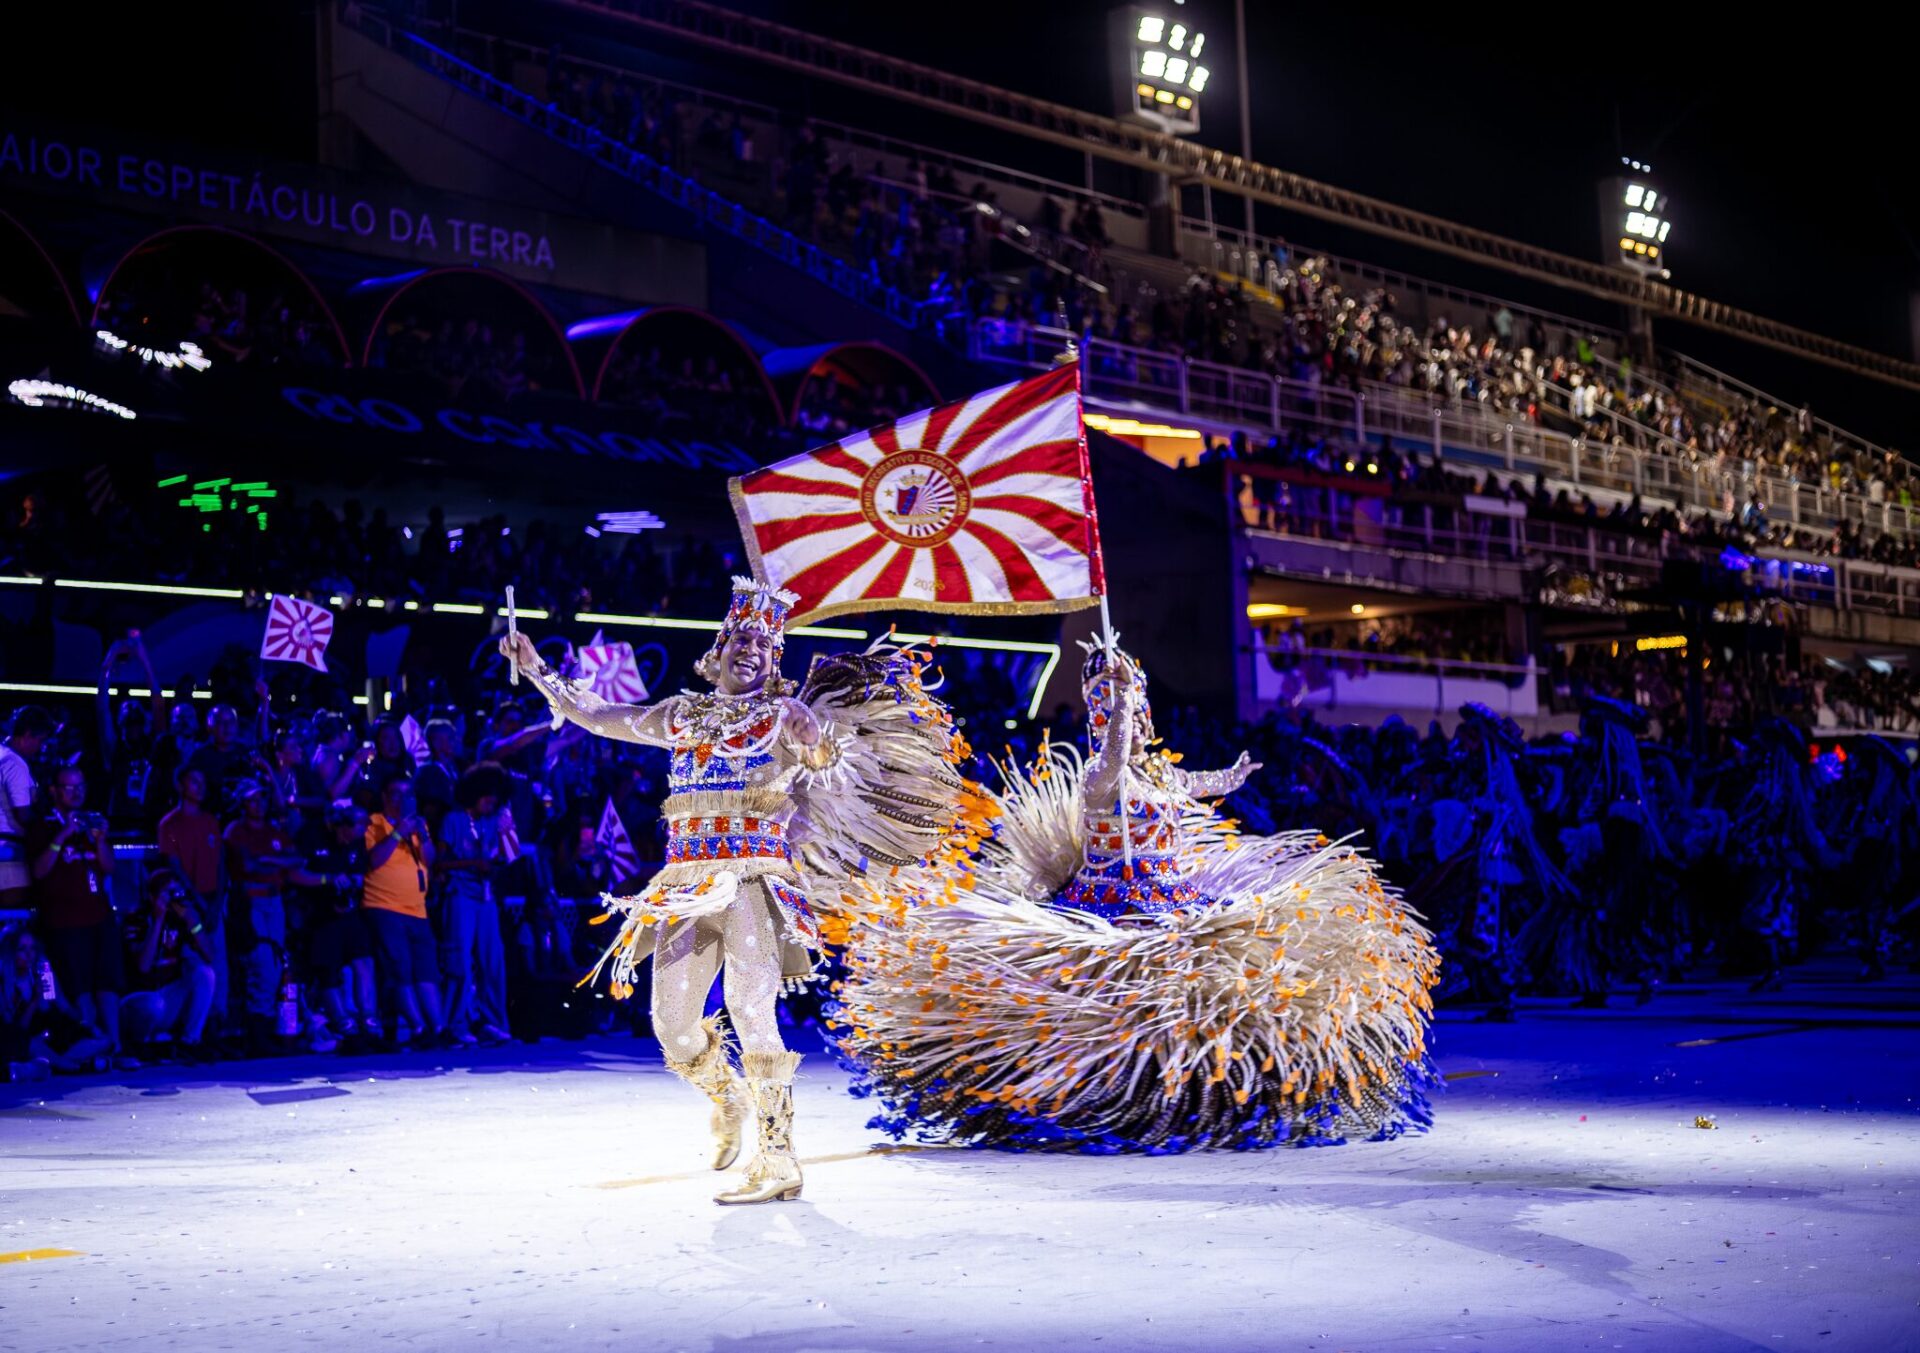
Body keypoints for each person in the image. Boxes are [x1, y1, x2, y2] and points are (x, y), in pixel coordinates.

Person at [835, 638, 1441, 1153]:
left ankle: (1195, 1098)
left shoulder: (1161, 774)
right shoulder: (1103, 775)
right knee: (1112, 1007)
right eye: (1103, 709)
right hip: (1106, 905)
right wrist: (1119, 696)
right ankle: (1103, 1100)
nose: (1120, 717)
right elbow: (1116, 755)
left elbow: (1204, 784)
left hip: (1171, 897)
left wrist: (1234, 775)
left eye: (1127, 708)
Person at [501, 578, 978, 1205]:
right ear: (720, 647)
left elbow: (824, 759)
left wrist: (813, 739)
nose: (752, 649)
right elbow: (596, 715)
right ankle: (727, 1098)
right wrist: (536, 668)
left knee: (752, 1009)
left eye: (765, 644)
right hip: (684, 889)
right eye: (743, 639)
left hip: (754, 881)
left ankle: (779, 1159)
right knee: (672, 1030)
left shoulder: (782, 716)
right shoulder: (681, 714)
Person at [28, 766, 134, 1067]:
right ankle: (93, 1045)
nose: (77, 792)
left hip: (99, 915)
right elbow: (39, 871)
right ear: (54, 791)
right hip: (64, 921)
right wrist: (63, 834)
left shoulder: (91, 822)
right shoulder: (43, 826)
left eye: (81, 786)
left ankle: (115, 1046)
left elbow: (108, 867)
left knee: (107, 980)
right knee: (80, 986)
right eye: (69, 787)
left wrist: (100, 839)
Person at [362, 772, 446, 1048]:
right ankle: (418, 1026)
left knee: (426, 970)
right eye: (396, 794)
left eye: (407, 794)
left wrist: (421, 834)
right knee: (400, 968)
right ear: (386, 797)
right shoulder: (374, 822)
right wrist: (398, 832)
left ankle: (437, 1027)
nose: (402, 799)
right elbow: (374, 859)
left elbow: (430, 860)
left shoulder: (418, 826)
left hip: (417, 909)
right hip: (385, 906)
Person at [436, 763, 514, 1046]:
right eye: (486, 797)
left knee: (492, 961)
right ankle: (455, 1024)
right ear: (473, 794)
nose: (490, 802)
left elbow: (503, 857)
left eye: (495, 798)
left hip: (486, 897)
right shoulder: (453, 820)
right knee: (459, 961)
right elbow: (440, 862)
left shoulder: (492, 822)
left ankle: (493, 1022)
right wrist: (472, 864)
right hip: (460, 896)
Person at [223, 780, 301, 1055]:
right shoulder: (236, 831)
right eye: (253, 799)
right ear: (243, 802)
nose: (259, 804)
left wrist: (268, 860)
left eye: (262, 799)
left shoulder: (273, 831)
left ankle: (264, 1033)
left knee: (276, 963)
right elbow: (247, 865)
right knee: (261, 964)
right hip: (251, 901)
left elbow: (295, 861)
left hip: (274, 900)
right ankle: (257, 1036)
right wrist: (274, 860)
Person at [119, 869, 216, 1059]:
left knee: (205, 973)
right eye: (167, 892)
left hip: (168, 997)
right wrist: (157, 920)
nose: (172, 897)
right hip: (137, 999)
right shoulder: (136, 919)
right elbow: (143, 967)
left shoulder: (179, 919)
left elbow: (211, 956)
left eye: (175, 891)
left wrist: (194, 924)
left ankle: (190, 1042)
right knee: (154, 1004)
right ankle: (137, 1046)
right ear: (152, 896)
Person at [0, 707, 54, 908]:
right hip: (9, 855)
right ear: (28, 734)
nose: (41, 747)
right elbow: (23, 814)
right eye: (40, 740)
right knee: (12, 918)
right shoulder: (15, 764)